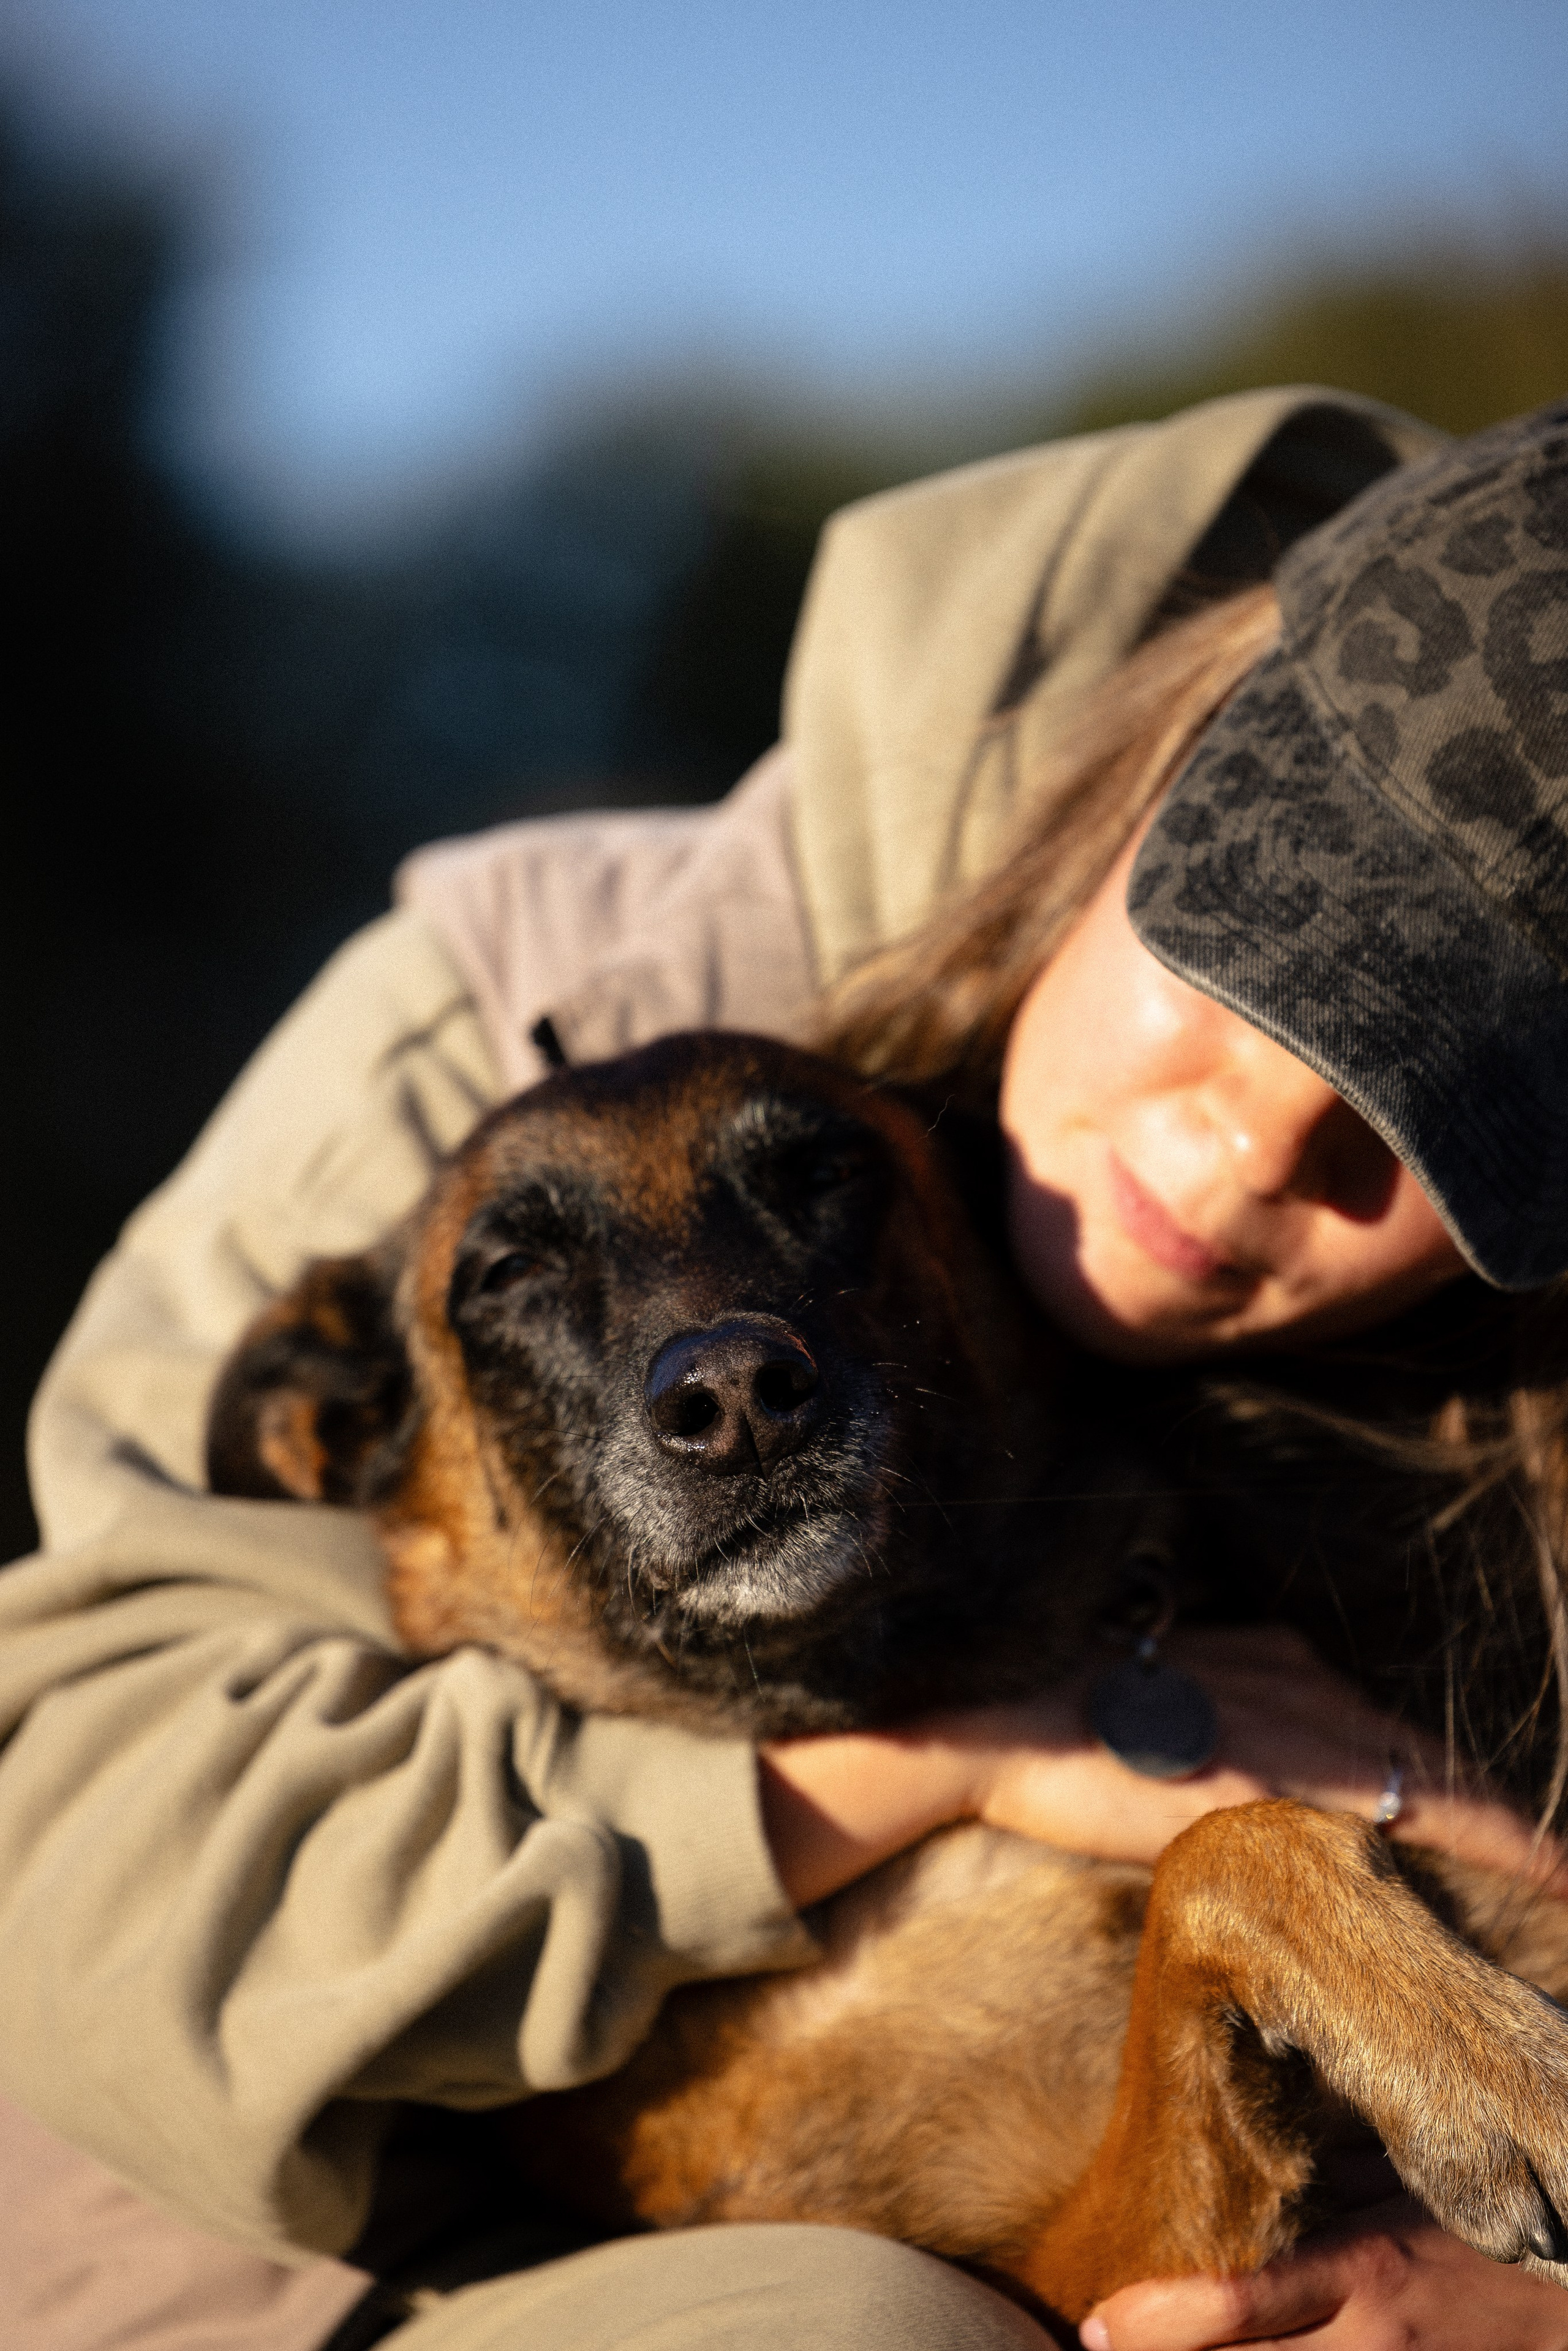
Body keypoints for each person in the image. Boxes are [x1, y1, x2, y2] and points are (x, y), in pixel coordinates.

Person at [2, 384, 1566, 2351]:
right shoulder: (487, 1020)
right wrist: (1046, 1750)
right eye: (1232, 974)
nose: (1240, 1152)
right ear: (1141, 789)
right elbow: (92, 1883)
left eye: (1423, 1123)